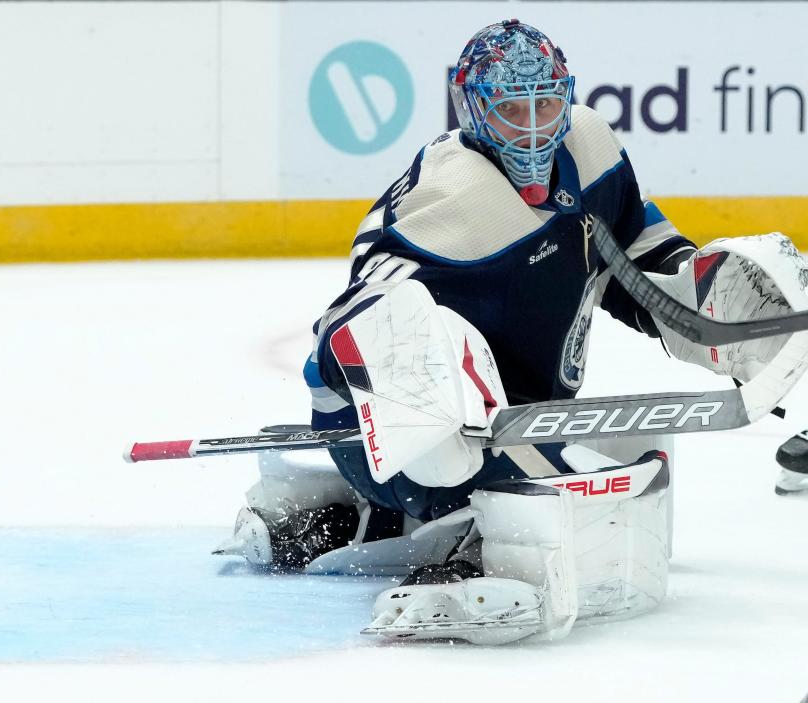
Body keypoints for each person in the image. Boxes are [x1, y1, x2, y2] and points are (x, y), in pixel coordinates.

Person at [215, 19, 808, 644]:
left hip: (513, 415)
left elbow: (633, 256)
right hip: (384, 431)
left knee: (629, 460)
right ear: (473, 112)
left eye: (546, 104)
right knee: (589, 492)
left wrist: (706, 302)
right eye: (509, 112)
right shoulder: (449, 200)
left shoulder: (592, 148)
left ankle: (348, 521)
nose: (533, 127)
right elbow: (351, 327)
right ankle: (463, 548)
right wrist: (424, 388)